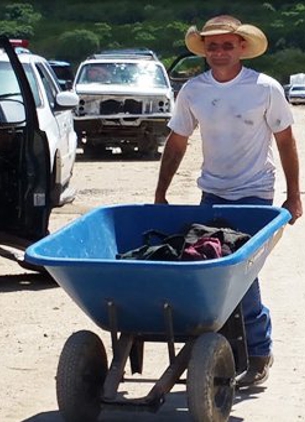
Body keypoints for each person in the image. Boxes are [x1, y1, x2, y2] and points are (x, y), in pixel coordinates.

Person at [154, 15, 302, 388]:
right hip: (213, 193)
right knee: (208, 272)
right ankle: (220, 354)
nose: (219, 52)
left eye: (227, 45)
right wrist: (160, 193)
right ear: (204, 50)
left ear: (241, 48)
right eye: (212, 45)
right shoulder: (193, 91)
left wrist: (294, 195)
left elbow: (286, 142)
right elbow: (176, 142)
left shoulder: (264, 88)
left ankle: (259, 351)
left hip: (255, 192)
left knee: (242, 275)